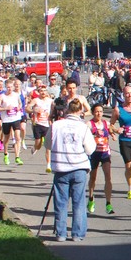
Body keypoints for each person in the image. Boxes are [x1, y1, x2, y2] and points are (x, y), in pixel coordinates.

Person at [49, 97, 95, 242]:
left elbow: (48, 144)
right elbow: (90, 149)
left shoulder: (56, 125)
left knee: (61, 202)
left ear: (67, 109)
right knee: (79, 202)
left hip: (61, 167)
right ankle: (77, 234)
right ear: (81, 111)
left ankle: (61, 233)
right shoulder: (83, 127)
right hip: (79, 167)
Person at [86, 103, 115, 216]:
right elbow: (85, 137)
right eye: (97, 111)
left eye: (101, 111)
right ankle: (91, 198)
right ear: (93, 112)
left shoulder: (105, 123)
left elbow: (112, 130)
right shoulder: (89, 124)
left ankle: (108, 203)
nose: (99, 114)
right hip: (94, 154)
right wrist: (94, 135)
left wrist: (114, 133)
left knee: (108, 177)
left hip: (105, 153)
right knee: (93, 177)